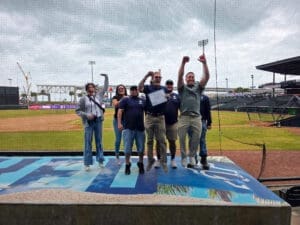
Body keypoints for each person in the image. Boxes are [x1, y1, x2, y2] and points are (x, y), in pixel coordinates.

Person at [177, 54, 210, 168]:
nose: (190, 78)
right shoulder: (182, 88)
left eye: (192, 76)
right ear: (186, 79)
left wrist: (204, 63)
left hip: (196, 117)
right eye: (188, 77)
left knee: (196, 138)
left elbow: (206, 77)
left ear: (194, 79)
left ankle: (192, 155)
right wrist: (183, 63)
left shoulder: (198, 88)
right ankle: (183, 157)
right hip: (184, 117)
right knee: (181, 138)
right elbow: (180, 75)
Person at [75, 74, 108, 171]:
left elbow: (105, 87)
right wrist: (87, 115)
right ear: (86, 89)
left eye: (92, 87)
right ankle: (87, 163)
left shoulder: (99, 96)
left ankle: (100, 160)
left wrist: (106, 77)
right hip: (88, 122)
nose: (91, 88)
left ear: (94, 88)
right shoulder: (83, 99)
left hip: (98, 121)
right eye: (89, 87)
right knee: (88, 142)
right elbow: (77, 111)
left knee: (99, 141)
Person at [138, 70, 168, 172]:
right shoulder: (148, 88)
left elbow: (165, 101)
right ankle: (150, 160)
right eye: (156, 77)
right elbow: (139, 88)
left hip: (160, 117)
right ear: (153, 78)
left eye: (159, 77)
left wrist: (166, 97)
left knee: (162, 141)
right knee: (149, 140)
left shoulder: (164, 89)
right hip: (149, 117)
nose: (158, 78)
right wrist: (146, 75)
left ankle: (163, 161)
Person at [117, 85, 146, 175]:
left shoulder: (142, 100)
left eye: (135, 89)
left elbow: (148, 112)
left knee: (141, 148)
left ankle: (140, 163)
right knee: (127, 149)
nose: (134, 91)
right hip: (128, 128)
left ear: (138, 91)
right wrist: (119, 123)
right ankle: (127, 164)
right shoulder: (125, 99)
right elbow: (120, 111)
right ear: (130, 91)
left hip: (140, 128)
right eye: (132, 90)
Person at [155, 79, 180, 169]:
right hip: (160, 122)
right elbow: (153, 106)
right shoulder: (160, 95)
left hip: (173, 122)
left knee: (172, 141)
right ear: (165, 86)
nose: (169, 86)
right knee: (159, 141)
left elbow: (181, 108)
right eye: (167, 84)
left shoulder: (176, 96)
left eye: (171, 84)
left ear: (172, 86)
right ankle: (158, 159)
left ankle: (173, 159)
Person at [112, 84, 128, 164]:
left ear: (125, 89)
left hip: (126, 120)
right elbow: (116, 104)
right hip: (117, 120)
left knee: (127, 139)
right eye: (119, 88)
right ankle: (117, 156)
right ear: (117, 90)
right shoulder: (115, 98)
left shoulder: (128, 97)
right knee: (118, 139)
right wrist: (123, 99)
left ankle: (127, 157)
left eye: (122, 88)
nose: (121, 89)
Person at [198, 94, 212, 170]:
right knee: (192, 140)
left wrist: (209, 122)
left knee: (202, 140)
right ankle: (193, 159)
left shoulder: (205, 97)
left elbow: (208, 110)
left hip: (202, 121)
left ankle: (203, 159)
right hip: (191, 121)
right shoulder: (190, 96)